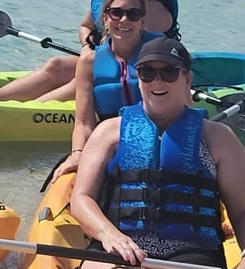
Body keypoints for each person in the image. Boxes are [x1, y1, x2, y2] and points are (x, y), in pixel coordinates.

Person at [70, 37, 245, 269]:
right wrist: (109, 234)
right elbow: (80, 199)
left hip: (192, 258)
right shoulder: (109, 132)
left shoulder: (218, 139)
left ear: (187, 78)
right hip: (120, 249)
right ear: (138, 77)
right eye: (147, 72)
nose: (157, 80)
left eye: (168, 72)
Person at [0, 0, 178, 103]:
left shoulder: (147, 7)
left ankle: (26, 110)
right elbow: (85, 26)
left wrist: (100, 60)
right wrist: (87, 47)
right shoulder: (109, 3)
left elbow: (136, 42)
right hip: (108, 56)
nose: (123, 16)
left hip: (145, 67)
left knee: (79, 80)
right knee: (56, 65)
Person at [49, 0, 164, 180]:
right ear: (105, 19)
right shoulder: (89, 62)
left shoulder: (160, 53)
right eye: (116, 13)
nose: (124, 20)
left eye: (133, 14)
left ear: (143, 21)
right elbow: (83, 123)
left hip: (156, 140)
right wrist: (78, 153)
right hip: (108, 142)